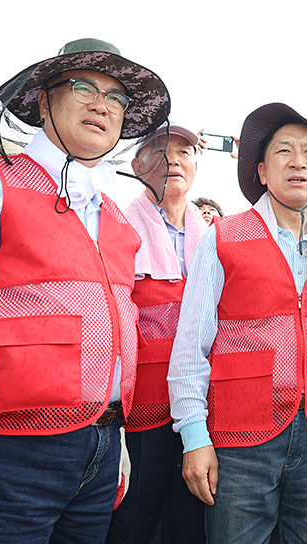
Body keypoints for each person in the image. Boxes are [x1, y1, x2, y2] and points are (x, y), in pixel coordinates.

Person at [0, 38, 171, 543]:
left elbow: (114, 332)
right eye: (84, 87)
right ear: (44, 100)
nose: (102, 104)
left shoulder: (114, 216)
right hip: (9, 450)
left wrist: (116, 437)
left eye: (116, 98)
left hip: (102, 448)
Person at [168, 103, 307, 544]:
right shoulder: (223, 236)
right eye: (283, 151)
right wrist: (193, 436)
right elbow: (190, 347)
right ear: (262, 171)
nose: (297, 162)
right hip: (239, 440)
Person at [105, 124, 207, 544]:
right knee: (134, 519)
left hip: (200, 408)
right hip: (141, 407)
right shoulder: (117, 225)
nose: (174, 161)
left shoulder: (211, 233)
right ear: (136, 166)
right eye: (161, 153)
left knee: (189, 520)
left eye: (184, 152)